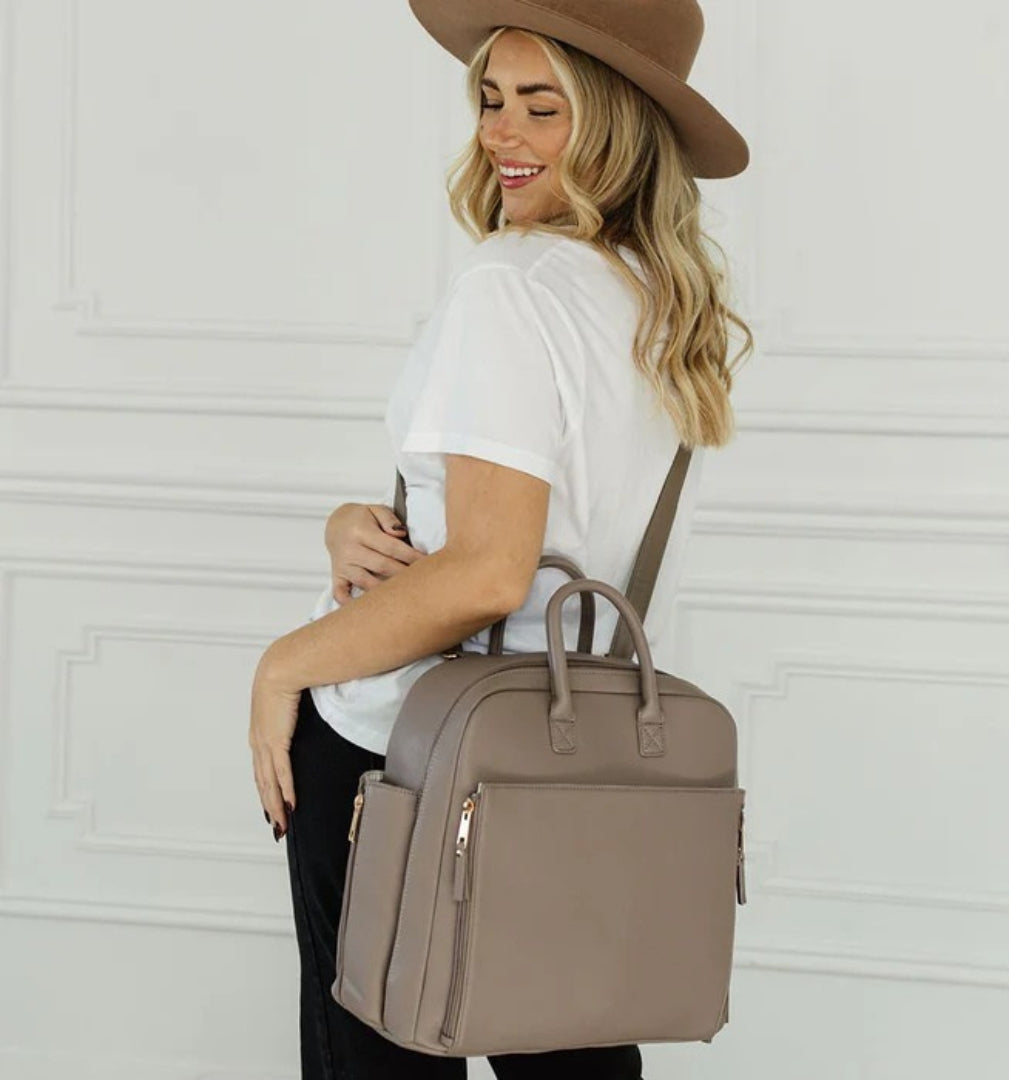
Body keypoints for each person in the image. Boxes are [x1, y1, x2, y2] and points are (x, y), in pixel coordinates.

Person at [247, 1, 754, 1076]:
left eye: (541, 106)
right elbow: (553, 523)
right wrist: (359, 523)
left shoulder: (510, 286)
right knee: (573, 1055)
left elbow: (488, 571)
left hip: (407, 754)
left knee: (377, 1054)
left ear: (616, 121)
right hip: (582, 757)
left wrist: (283, 664)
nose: (500, 134)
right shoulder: (661, 303)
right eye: (490, 99)